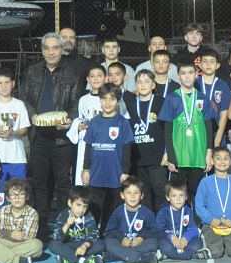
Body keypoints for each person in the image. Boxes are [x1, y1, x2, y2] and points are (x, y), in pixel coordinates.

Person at [21, 32, 83, 234]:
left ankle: (63, 224)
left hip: (61, 140)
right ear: (42, 50)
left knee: (63, 183)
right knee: (40, 183)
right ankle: (41, 225)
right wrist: (32, 114)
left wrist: (69, 120)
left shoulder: (71, 73)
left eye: (55, 48)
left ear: (62, 50)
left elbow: (75, 102)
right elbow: (24, 97)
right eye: (47, 48)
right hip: (38, 137)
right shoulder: (32, 71)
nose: (51, 52)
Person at [160, 61, 216, 204]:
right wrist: (171, 156)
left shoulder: (203, 98)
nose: (187, 77)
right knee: (178, 194)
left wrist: (209, 153)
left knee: (197, 195)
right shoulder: (172, 99)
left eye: (190, 73)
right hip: (179, 156)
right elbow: (167, 131)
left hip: (198, 155)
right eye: (183, 73)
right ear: (178, 75)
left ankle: (196, 218)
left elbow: (209, 128)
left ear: (197, 74)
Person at [82, 82, 135, 232]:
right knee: (94, 207)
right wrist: (86, 169)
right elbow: (88, 146)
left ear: (117, 101)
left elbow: (127, 149)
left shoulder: (122, 122)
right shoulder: (94, 122)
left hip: (116, 174)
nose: (107, 102)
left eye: (112, 99)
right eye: (104, 98)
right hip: (96, 173)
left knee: (115, 208)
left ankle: (113, 233)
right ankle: (93, 234)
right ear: (100, 100)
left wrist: (125, 172)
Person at [124, 70, 168, 210]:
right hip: (138, 158)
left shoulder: (161, 102)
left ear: (153, 85)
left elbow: (168, 129)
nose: (143, 85)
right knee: (143, 193)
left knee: (160, 191)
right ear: (135, 85)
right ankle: (147, 221)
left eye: (147, 81)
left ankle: (162, 221)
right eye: (139, 82)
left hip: (158, 157)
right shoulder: (130, 104)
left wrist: (167, 152)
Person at [0, 178, 44, 263]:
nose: (17, 198)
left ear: (27, 196)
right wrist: (10, 234)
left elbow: (27, 237)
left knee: (37, 245)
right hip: (4, 242)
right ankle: (17, 261)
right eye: (13, 195)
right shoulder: (3, 210)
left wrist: (2, 235)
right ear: (8, 198)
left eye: (21, 194)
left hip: (22, 244)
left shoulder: (32, 213)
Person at [195, 147, 231, 259]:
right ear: (212, 161)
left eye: (226, 158)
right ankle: (209, 239)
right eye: (218, 158)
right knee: (215, 253)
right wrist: (210, 219)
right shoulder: (206, 182)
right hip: (211, 225)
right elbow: (199, 205)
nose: (222, 162)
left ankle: (226, 242)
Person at [104, 176, 159, 263]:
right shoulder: (118, 212)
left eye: (136, 193)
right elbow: (109, 231)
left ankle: (116, 257)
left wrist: (141, 238)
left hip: (138, 244)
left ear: (142, 195)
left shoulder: (147, 213)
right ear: (122, 195)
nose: (132, 196)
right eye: (128, 192)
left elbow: (154, 230)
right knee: (108, 242)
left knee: (153, 243)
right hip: (122, 243)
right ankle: (141, 258)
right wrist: (122, 238)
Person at [68, 65, 106, 186]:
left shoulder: (109, 99)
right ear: (88, 79)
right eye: (92, 76)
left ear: (105, 78)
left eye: (99, 76)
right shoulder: (83, 99)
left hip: (103, 142)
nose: (96, 79)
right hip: (85, 143)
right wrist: (78, 127)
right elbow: (80, 119)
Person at [51, 185, 106, 263]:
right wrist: (67, 225)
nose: (81, 210)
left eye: (85, 206)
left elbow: (94, 233)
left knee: (100, 244)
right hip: (68, 245)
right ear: (70, 203)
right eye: (78, 205)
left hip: (83, 244)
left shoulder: (88, 215)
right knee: (52, 244)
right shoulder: (63, 215)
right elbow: (57, 237)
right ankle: (82, 260)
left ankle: (68, 259)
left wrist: (84, 246)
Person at [156, 178, 210, 260]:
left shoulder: (188, 211)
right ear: (167, 197)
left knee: (198, 243)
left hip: (184, 241)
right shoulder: (163, 212)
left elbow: (194, 229)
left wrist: (186, 238)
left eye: (181, 195)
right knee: (164, 246)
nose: (178, 199)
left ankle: (169, 255)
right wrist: (171, 237)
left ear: (186, 197)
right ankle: (192, 255)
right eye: (174, 196)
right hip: (170, 241)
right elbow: (157, 231)